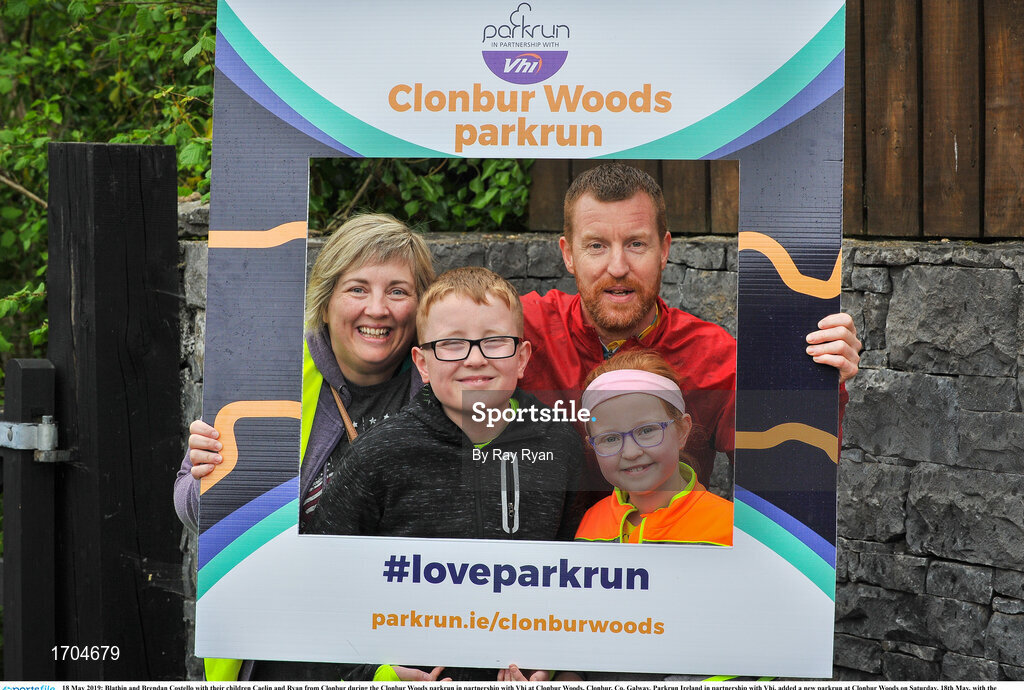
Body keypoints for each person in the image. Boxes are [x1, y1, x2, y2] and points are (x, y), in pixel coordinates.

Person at [172, 213, 435, 680]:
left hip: (399, 655)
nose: (378, 308)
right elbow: (196, 510)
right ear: (327, 299)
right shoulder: (269, 375)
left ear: (421, 307)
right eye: (357, 289)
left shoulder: (447, 385)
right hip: (282, 651)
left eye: (398, 291)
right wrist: (206, 477)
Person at [306, 266, 584, 681]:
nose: (476, 358)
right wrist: (377, 674)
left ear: (523, 357)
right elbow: (319, 588)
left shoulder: (560, 444)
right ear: (422, 363)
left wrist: (561, 670)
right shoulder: (379, 454)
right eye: (451, 344)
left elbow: (583, 579)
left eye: (495, 342)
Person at [518, 163, 860, 489]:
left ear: (664, 250)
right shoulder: (520, 327)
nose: (618, 267)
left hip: (672, 546)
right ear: (568, 254)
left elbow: (788, 475)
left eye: (636, 244)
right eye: (597, 246)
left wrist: (818, 382)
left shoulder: (715, 358)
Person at [574, 350, 732, 546]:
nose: (631, 453)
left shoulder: (729, 529)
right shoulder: (591, 523)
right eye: (610, 438)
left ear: (682, 430)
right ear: (592, 445)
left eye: (647, 430)